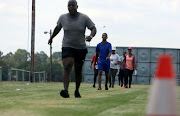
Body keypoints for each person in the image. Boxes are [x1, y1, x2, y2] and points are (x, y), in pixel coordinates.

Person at [48, 0, 97, 98]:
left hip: (80, 47)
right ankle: (65, 91)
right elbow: (57, 28)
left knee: (78, 70)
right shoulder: (63, 17)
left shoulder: (84, 17)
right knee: (67, 65)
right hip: (67, 46)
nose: (71, 7)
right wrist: (51, 37)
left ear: (77, 6)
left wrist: (90, 37)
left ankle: (77, 90)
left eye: (72, 5)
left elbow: (93, 28)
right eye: (69, 5)